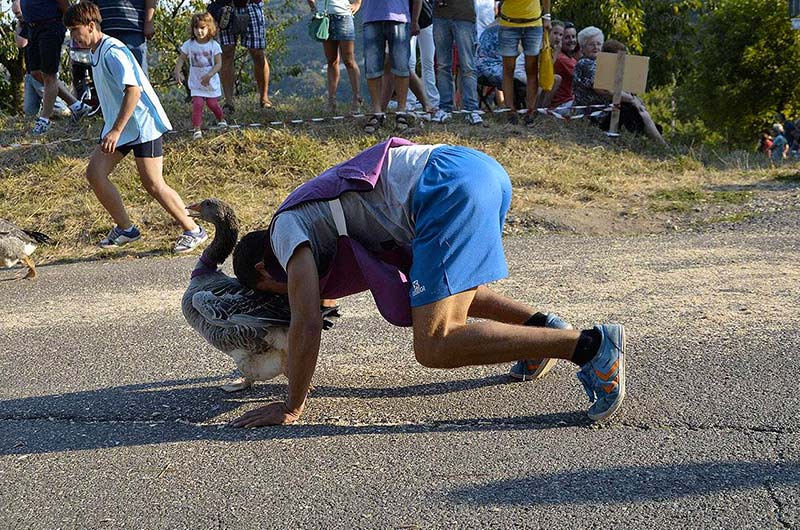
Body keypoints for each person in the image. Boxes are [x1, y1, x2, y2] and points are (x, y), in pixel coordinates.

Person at [230, 138, 627, 428]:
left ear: (264, 270)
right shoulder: (313, 211)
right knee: (443, 293)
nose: (283, 294)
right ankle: (542, 329)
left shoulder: (283, 229)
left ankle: (589, 347)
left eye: (270, 293)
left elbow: (306, 319)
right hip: (474, 166)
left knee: (435, 341)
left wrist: (291, 405)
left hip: (443, 188)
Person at [63, 1, 208, 253]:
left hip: (142, 124)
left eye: (75, 30)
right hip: (122, 127)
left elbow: (133, 91)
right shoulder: (96, 51)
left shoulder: (112, 51)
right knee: (95, 173)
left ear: (90, 25)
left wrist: (115, 130)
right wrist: (114, 126)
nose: (73, 36)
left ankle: (194, 230)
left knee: (153, 183)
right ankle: (126, 229)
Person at [573, 30, 666, 146]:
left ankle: (659, 144)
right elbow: (603, 90)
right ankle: (662, 145)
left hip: (607, 111)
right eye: (591, 44)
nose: (596, 47)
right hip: (595, 115)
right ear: (582, 48)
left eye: (598, 44)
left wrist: (632, 98)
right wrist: (632, 99)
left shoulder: (600, 64)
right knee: (638, 112)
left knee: (640, 112)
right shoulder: (586, 64)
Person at [19, 0, 92, 134]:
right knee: (35, 73)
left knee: (49, 75)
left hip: (50, 26)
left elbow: (63, 3)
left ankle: (44, 121)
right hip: (32, 27)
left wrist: (73, 25)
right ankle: (77, 105)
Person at [361, 0, 419, 133]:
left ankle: (401, 111)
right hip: (371, 18)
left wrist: (415, 20)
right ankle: (377, 112)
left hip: (399, 18)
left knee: (401, 67)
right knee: (372, 67)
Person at [497, 0, 551, 125]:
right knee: (508, 68)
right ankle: (510, 111)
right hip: (508, 23)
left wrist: (547, 17)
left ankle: (530, 111)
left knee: (531, 69)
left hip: (533, 24)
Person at [174, 12, 226, 140]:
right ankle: (197, 129)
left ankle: (221, 119)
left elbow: (219, 64)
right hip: (196, 81)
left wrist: (210, 74)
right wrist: (177, 71)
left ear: (209, 28)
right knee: (197, 104)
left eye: (202, 28)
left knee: (212, 104)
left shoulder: (214, 45)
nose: (199, 31)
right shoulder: (189, 44)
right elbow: (181, 59)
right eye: (196, 28)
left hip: (210, 81)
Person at [307, 0, 362, 114]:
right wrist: (313, 6)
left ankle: (357, 99)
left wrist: (357, 3)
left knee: (348, 60)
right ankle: (331, 101)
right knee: (331, 60)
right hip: (324, 16)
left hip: (343, 15)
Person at [432, 0, 482, 125]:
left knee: (468, 66)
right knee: (443, 66)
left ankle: (471, 109)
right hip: (440, 16)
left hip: (464, 16)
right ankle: (445, 108)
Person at [219, 0, 273, 114]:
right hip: (225, 6)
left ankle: (264, 98)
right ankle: (228, 102)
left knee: (257, 52)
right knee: (226, 53)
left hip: (251, 5)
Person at [93, 0, 155, 74]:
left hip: (133, 31)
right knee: (108, 77)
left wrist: (149, 22)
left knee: (137, 76)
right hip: (103, 31)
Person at [550, 20, 577, 111]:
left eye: (573, 36)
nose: (572, 40)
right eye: (567, 37)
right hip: (562, 104)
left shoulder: (571, 58)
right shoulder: (561, 58)